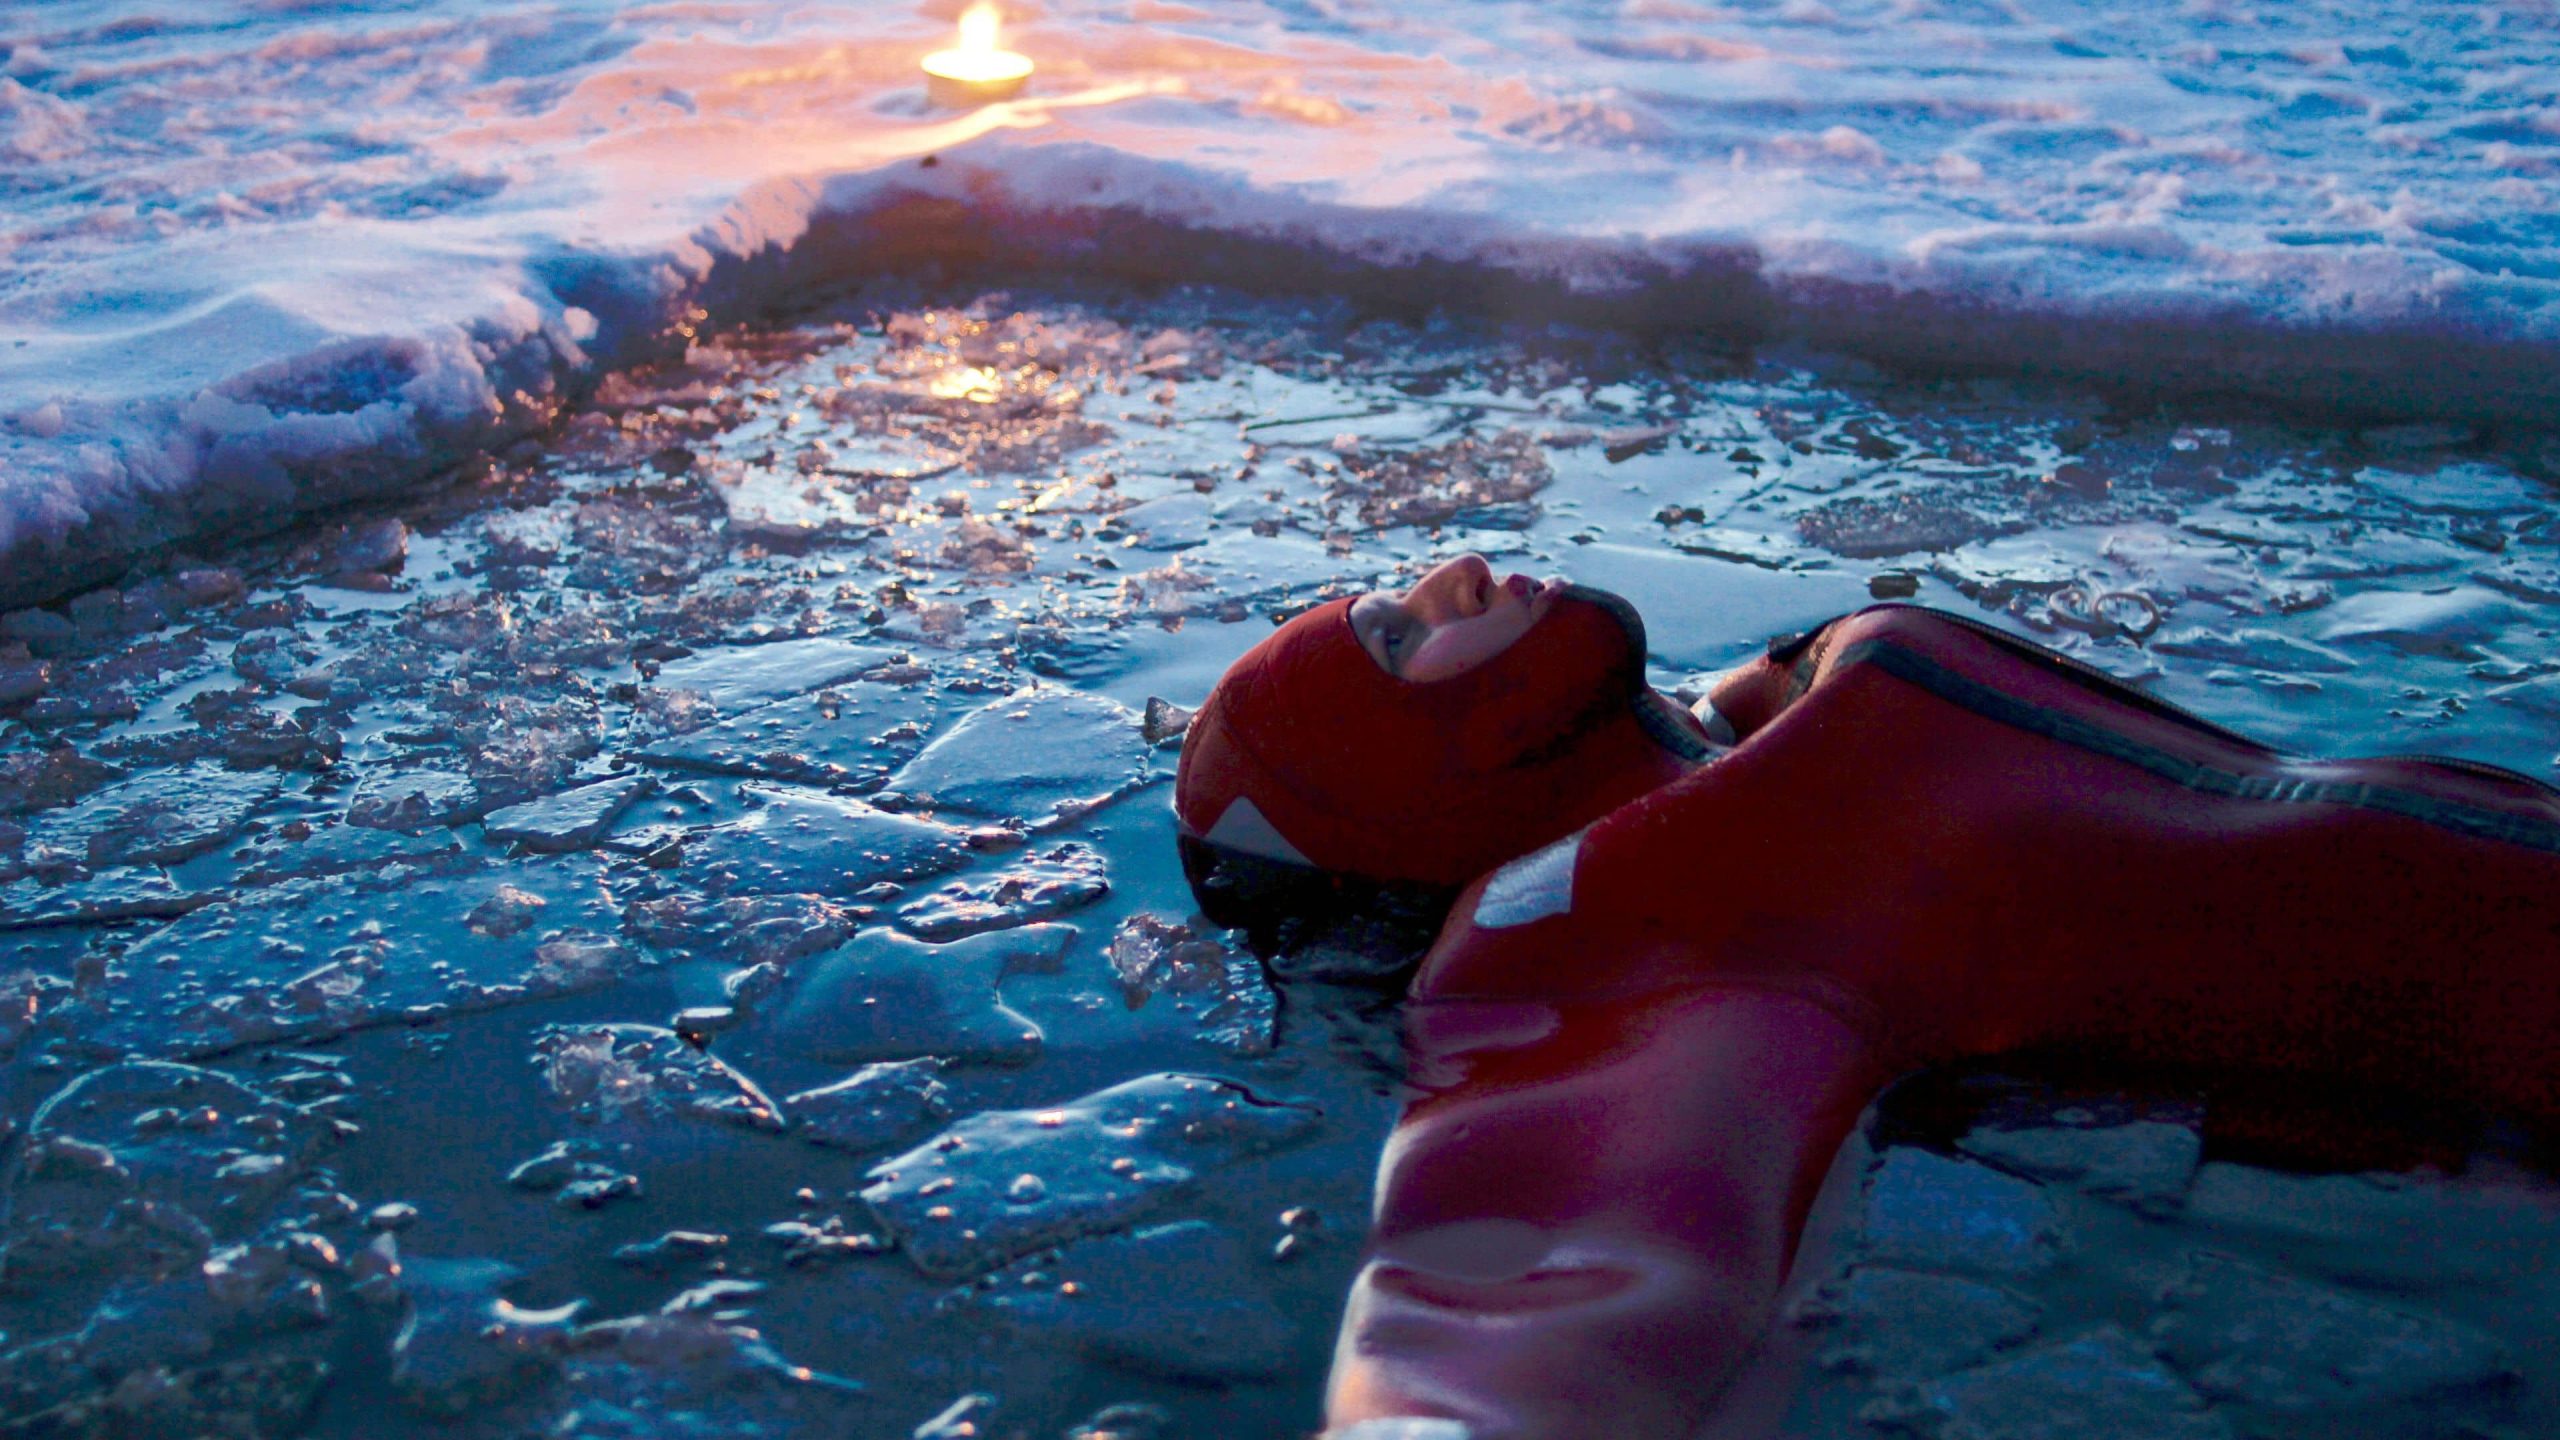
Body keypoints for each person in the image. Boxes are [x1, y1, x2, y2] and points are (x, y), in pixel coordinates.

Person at [1174, 555, 2560, 1440]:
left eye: (1400, 592)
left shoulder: (1774, 728)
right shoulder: (1606, 919)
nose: (1457, 574)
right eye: (1400, 640)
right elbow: (1546, 1273)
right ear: (1406, 786)